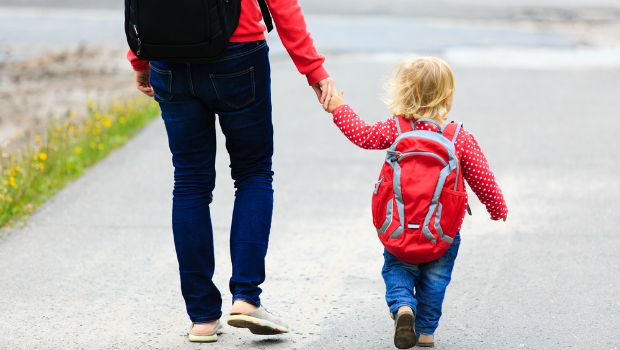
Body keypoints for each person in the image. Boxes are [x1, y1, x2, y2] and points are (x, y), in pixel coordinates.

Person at [127, 0, 335, 343]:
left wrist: (140, 57)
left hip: (166, 53)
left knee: (190, 182)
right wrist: (313, 70)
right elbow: (281, 4)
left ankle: (202, 318)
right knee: (253, 173)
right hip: (238, 53)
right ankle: (246, 298)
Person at [325, 57, 508, 349]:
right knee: (435, 279)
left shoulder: (397, 129)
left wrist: (338, 108)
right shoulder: (457, 137)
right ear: (447, 96)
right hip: (442, 230)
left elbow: (361, 135)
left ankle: (403, 307)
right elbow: (482, 176)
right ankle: (425, 332)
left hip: (399, 226)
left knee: (397, 268)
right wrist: (497, 208)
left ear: (403, 93)